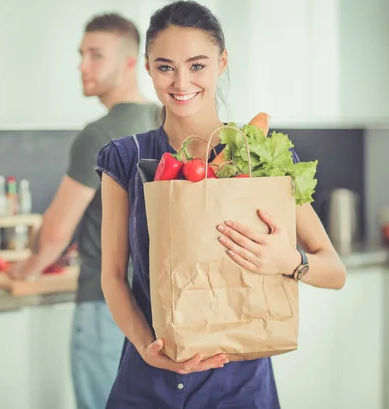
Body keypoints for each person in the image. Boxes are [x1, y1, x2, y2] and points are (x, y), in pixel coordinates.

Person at [95, 1, 348, 408]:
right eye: (165, 67)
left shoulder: (263, 156)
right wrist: (146, 348)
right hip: (146, 384)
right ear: (147, 67)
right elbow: (111, 276)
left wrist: (288, 260)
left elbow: (334, 271)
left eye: (197, 66)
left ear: (221, 62)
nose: (181, 82)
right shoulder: (125, 158)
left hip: (240, 389)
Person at [8, 12, 161, 409]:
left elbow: (57, 231)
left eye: (96, 55)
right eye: (81, 54)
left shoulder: (98, 134)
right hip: (159, 308)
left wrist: (26, 270)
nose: (82, 65)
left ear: (130, 63)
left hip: (105, 305)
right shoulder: (163, 121)